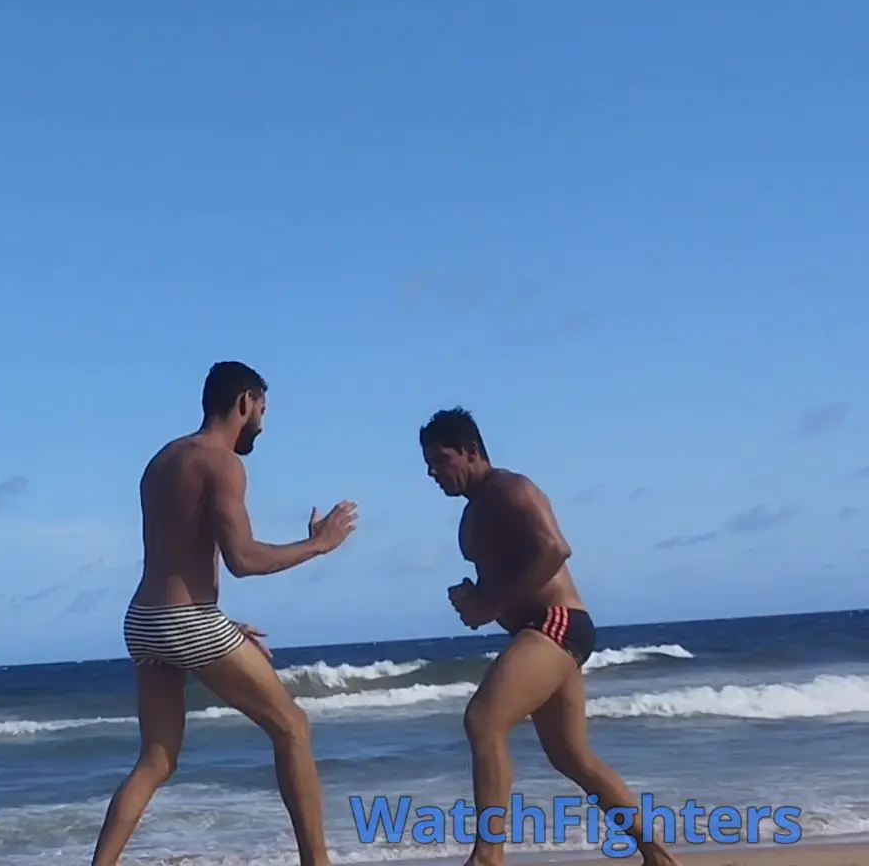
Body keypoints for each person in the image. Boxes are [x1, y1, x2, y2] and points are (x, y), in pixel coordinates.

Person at [91, 361, 359, 866]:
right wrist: (319, 544)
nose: (262, 423)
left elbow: (176, 556)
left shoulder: (163, 459)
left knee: (155, 760)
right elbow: (243, 559)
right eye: (263, 410)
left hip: (145, 620)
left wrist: (218, 623)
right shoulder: (223, 463)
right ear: (244, 402)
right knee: (293, 727)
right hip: (187, 621)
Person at [420, 407, 677, 866]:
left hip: (557, 623)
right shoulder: (473, 514)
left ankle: (487, 858)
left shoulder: (510, 488)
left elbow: (555, 549)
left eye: (441, 460)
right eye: (428, 464)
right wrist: (476, 601)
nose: (432, 473)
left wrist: (491, 604)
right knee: (571, 756)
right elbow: (503, 582)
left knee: (483, 720)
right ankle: (659, 856)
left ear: (471, 451)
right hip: (539, 631)